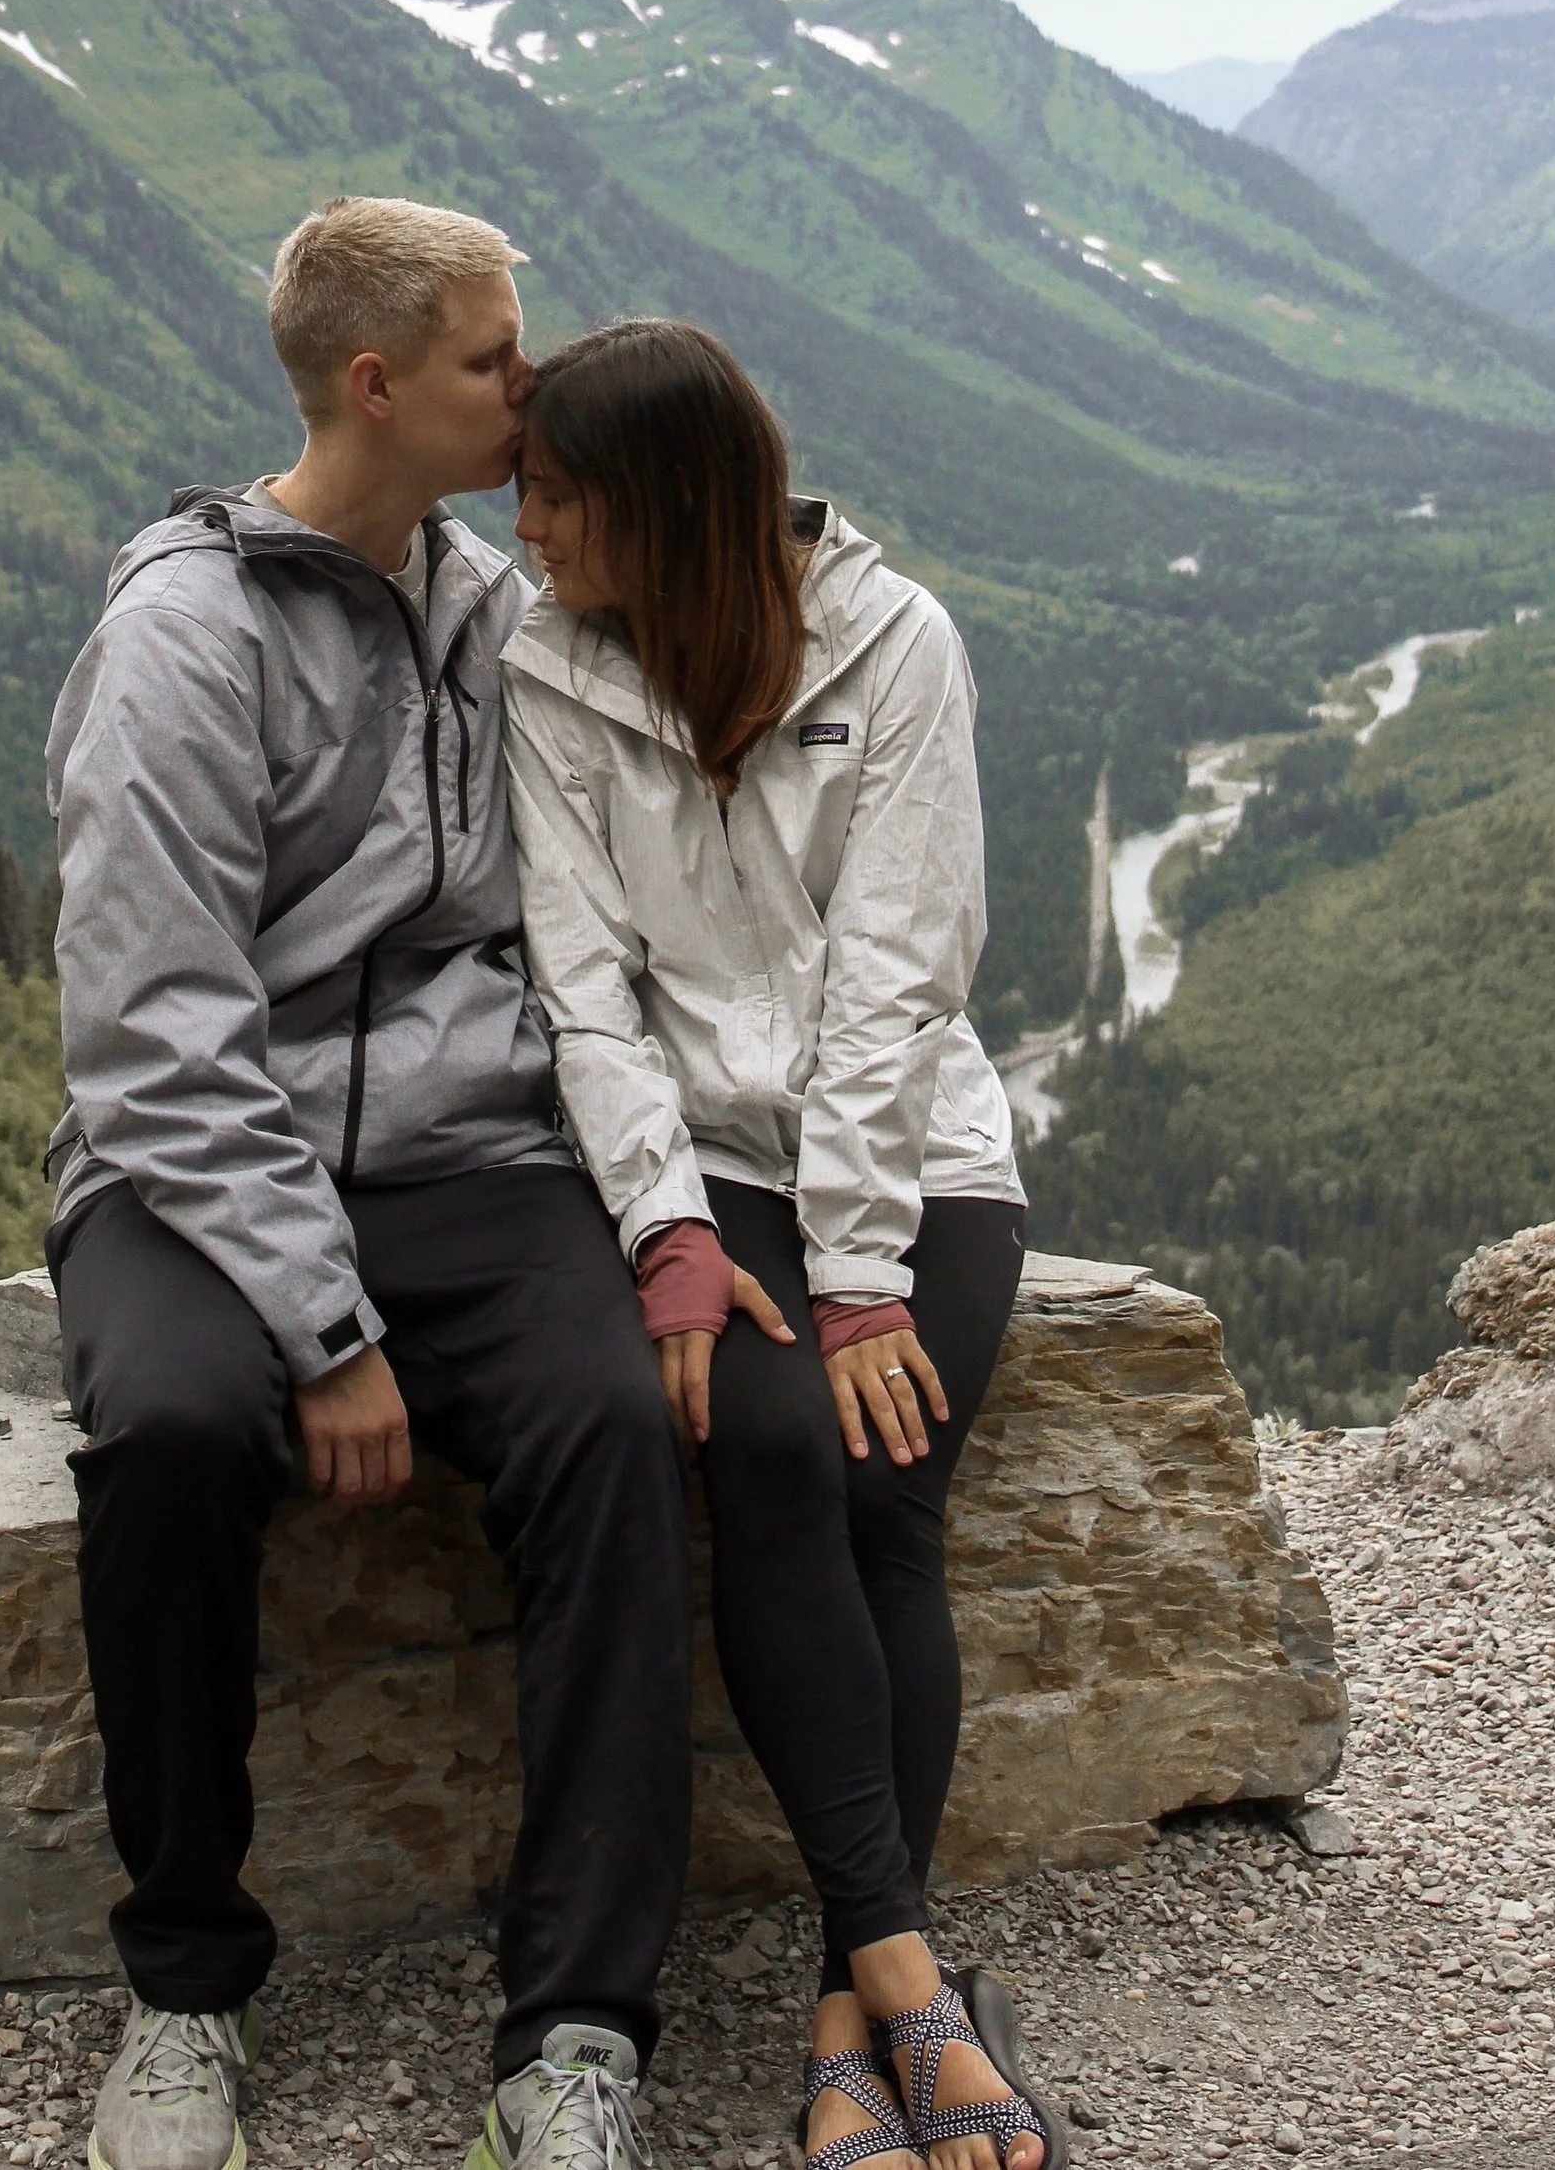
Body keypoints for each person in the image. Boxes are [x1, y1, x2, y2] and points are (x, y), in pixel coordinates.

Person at [47, 199, 692, 2170]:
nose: (530, 389)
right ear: (375, 382)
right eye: (498, 361)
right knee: (166, 1430)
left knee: (607, 1424)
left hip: (458, 1149)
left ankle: (574, 2025)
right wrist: (327, 1329)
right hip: (192, 1161)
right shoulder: (182, 639)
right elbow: (151, 1024)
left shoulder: (492, 607)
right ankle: (179, 1994)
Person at [504, 320, 1057, 2170]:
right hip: (699, 1166)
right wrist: (665, 1229)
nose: (526, 529)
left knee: (887, 1476)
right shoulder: (547, 661)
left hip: (912, 1161)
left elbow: (901, 984)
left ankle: (848, 2006)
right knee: (765, 1446)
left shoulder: (898, 650)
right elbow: (584, 993)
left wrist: (862, 1273)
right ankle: (909, 1982)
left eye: (557, 496)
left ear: (660, 505)